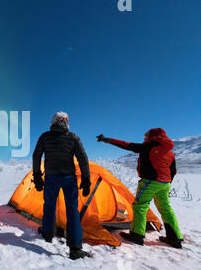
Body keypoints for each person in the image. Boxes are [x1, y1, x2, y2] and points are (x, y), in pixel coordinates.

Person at [97, 128, 183, 248]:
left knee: (140, 206)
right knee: (165, 208)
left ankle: (137, 235)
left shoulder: (148, 147)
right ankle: (175, 237)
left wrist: (108, 140)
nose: (144, 138)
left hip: (149, 182)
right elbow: (173, 170)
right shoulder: (170, 153)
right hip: (165, 184)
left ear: (153, 136)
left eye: (146, 135)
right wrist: (166, 181)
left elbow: (127, 145)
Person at [32, 111, 91, 260]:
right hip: (69, 178)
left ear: (53, 121)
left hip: (51, 177)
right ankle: (75, 249)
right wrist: (86, 179)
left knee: (49, 205)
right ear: (66, 122)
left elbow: (36, 156)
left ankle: (47, 233)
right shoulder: (73, 137)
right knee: (72, 211)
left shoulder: (45, 136)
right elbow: (83, 159)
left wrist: (38, 177)